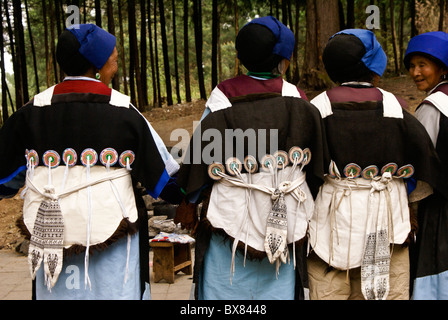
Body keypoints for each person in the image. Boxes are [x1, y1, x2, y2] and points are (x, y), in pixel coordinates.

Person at [0, 24, 181, 300]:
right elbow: (166, 182)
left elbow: (4, 179)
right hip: (115, 255)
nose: (116, 67)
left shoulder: (30, 113)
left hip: (51, 245)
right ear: (98, 66)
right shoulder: (125, 113)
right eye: (114, 60)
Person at [175, 16, 327, 300]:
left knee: (224, 288)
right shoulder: (299, 102)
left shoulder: (222, 99)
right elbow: (317, 163)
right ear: (285, 59)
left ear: (241, 56)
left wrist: (189, 200)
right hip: (286, 220)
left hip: (228, 222)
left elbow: (200, 158)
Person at [307, 29, 442, 300]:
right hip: (389, 226)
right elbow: (424, 163)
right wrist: (410, 206)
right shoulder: (395, 107)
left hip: (330, 231)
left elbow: (305, 171)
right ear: (374, 66)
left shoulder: (316, 108)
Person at [404, 31, 448, 300]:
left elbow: (417, 162)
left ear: (442, 67)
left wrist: (410, 208)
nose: (415, 73)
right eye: (412, 66)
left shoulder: (432, 107)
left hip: (440, 209)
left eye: (423, 65)